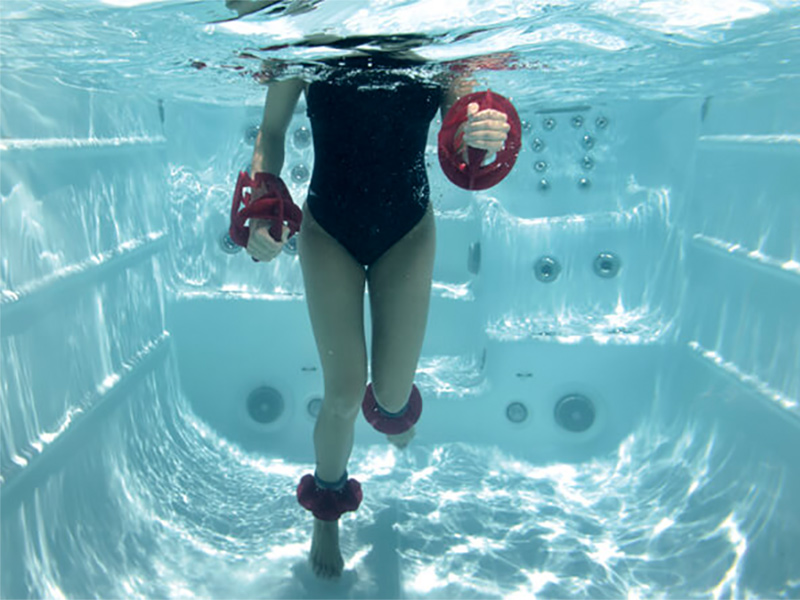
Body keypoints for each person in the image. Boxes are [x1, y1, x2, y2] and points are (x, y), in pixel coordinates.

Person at [245, 49, 511, 579]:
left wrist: (478, 131)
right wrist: (260, 208)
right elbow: (271, 132)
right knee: (344, 391)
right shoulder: (306, 35)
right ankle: (327, 506)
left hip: (406, 232)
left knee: (390, 395)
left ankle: (392, 414)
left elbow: (461, 122)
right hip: (328, 230)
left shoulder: (440, 36)